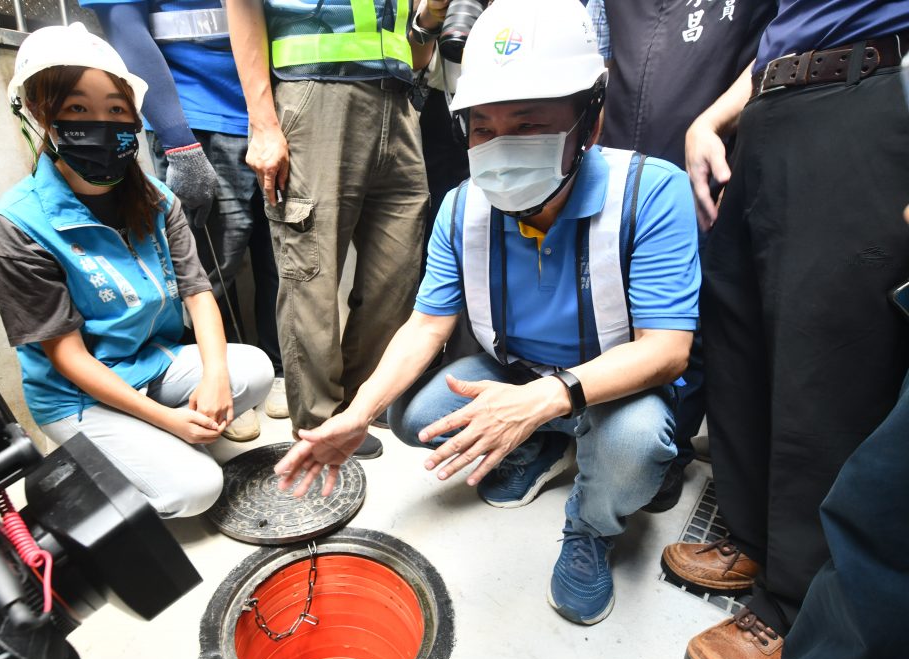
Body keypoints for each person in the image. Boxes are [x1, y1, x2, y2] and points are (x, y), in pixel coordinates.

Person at [274, 0, 700, 626]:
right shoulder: (462, 207)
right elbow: (426, 326)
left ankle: (590, 528)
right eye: (483, 128)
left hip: (613, 388)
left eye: (529, 125)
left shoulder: (650, 192)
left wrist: (541, 402)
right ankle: (543, 444)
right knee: (413, 415)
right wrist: (355, 415)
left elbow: (667, 350)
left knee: (634, 443)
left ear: (589, 123)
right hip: (521, 371)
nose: (500, 148)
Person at [662, 4, 909, 659]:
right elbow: (794, 29)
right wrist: (712, 118)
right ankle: (750, 540)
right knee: (739, 338)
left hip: (864, 92)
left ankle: (796, 602)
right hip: (771, 104)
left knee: (821, 363)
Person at [0, 24, 273, 518]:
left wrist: (216, 377)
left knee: (253, 370)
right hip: (78, 396)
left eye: (116, 109)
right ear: (38, 111)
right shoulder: (18, 227)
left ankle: (145, 444)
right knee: (197, 489)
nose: (101, 122)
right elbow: (67, 356)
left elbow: (198, 291)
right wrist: (168, 420)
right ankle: (82, 471)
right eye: (77, 109)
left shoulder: (158, 200)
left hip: (149, 363)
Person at [227, 0, 443, 458]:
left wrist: (431, 18)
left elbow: (415, 52)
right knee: (311, 270)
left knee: (397, 271)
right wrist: (262, 123)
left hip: (399, 101)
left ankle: (361, 403)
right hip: (315, 94)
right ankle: (319, 423)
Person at [583, 0, 776, 513]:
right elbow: (597, 59)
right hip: (616, 168)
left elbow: (774, 56)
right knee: (608, 304)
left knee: (689, 322)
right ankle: (593, 432)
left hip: (704, 173)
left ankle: (669, 450)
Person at [81, 0, 287, 441]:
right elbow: (124, 26)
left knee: (280, 256)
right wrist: (177, 138)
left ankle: (279, 366)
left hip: (275, 112)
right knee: (210, 267)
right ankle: (222, 382)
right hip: (197, 116)